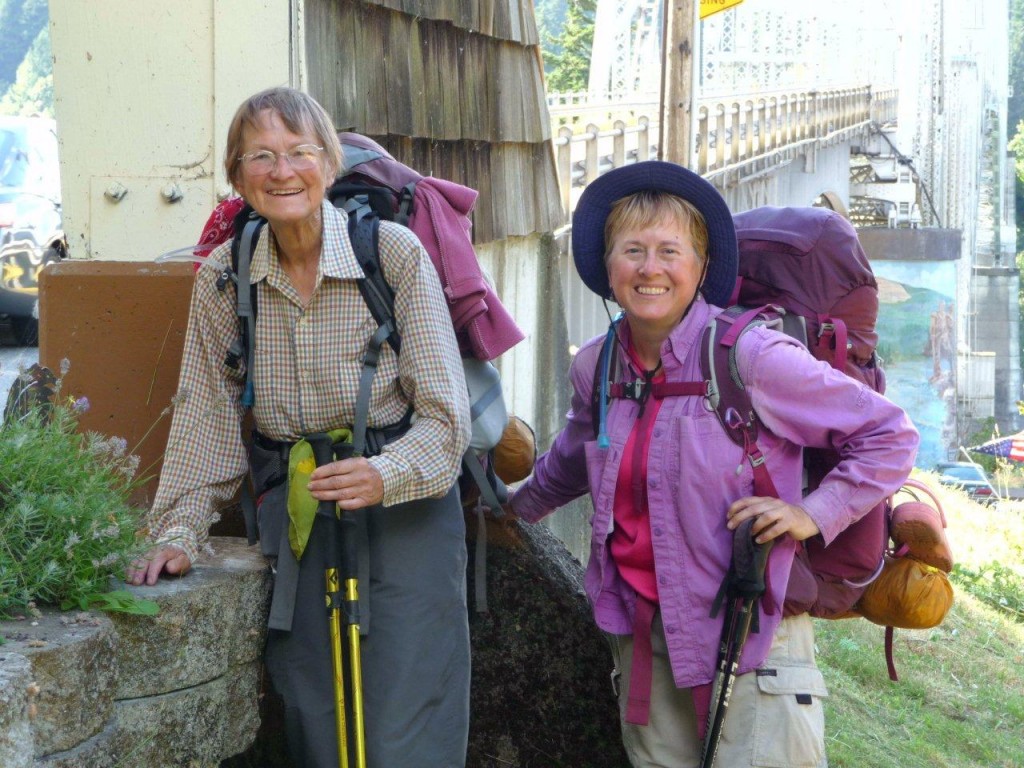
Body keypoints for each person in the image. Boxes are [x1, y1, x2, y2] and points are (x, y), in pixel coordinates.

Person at [509, 161, 919, 767]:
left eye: (670, 250)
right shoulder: (597, 367)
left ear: (701, 268)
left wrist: (812, 512)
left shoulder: (752, 357)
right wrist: (508, 511)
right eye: (633, 250)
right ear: (607, 265)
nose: (651, 268)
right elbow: (573, 455)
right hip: (645, 648)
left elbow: (888, 433)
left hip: (752, 641)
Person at [126, 87, 472, 768]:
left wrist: (385, 473)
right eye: (261, 156)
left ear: (329, 163)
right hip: (301, 501)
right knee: (316, 710)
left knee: (407, 715)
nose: (282, 171)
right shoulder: (226, 278)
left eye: (298, 152)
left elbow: (445, 418)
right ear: (237, 174)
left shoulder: (392, 255)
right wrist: (178, 532)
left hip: (405, 503)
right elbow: (207, 414)